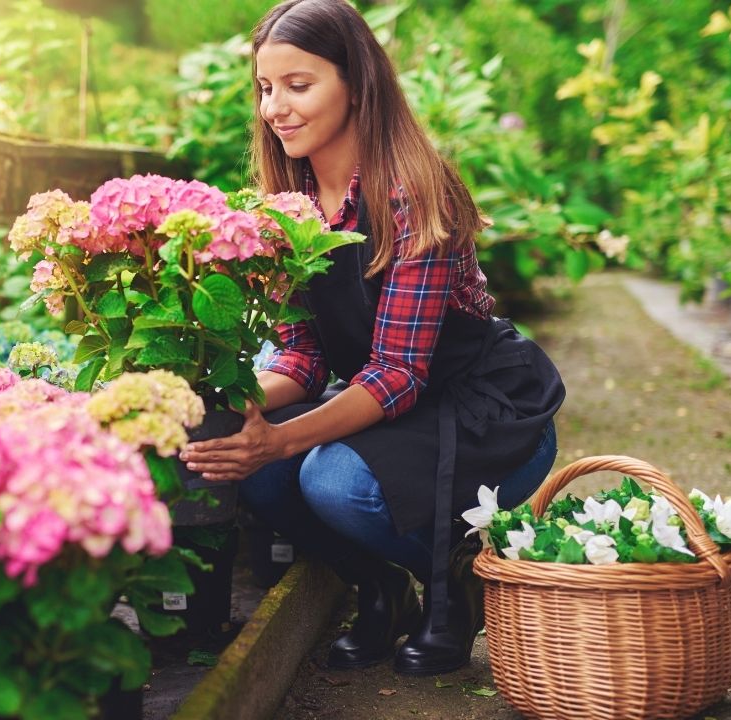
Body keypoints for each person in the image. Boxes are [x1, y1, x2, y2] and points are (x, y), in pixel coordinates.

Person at [177, 0, 565, 675]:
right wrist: (237, 404)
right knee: (254, 464)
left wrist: (284, 435)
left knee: (331, 479)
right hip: (392, 411)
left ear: (357, 83)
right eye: (266, 88)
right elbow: (303, 355)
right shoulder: (289, 206)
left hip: (484, 415)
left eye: (300, 85)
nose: (276, 108)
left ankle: (459, 584)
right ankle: (380, 589)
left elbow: (398, 371)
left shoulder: (414, 194)